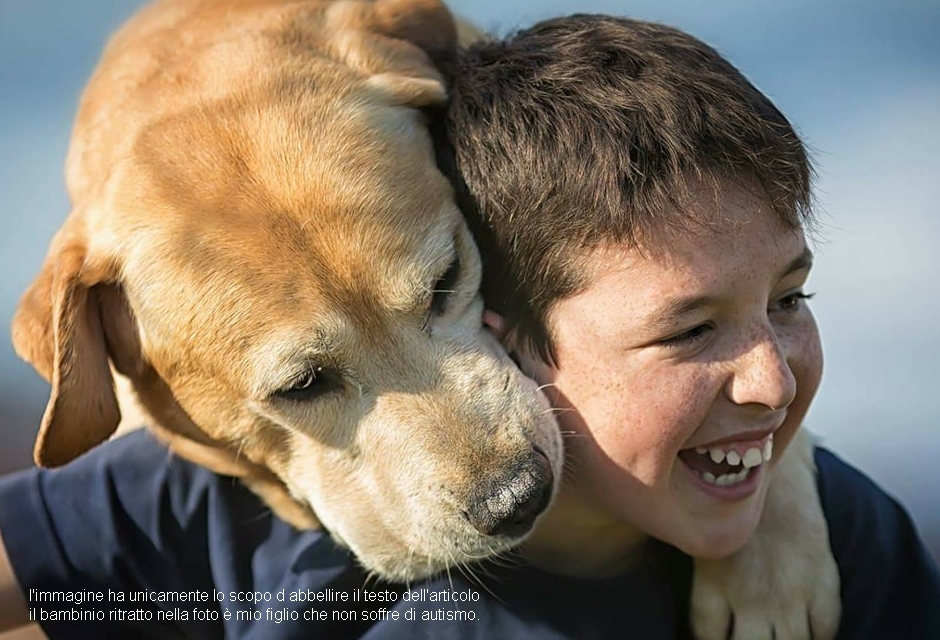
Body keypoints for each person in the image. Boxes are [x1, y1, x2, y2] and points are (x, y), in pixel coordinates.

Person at [2, 12, 939, 640]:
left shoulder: (402, 72)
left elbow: (659, 268)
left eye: (444, 282)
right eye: (307, 381)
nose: (498, 472)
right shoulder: (169, 495)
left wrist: (779, 477)